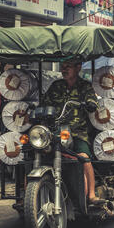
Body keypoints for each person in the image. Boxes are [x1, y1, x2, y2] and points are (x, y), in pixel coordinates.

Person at [43, 61, 104, 205]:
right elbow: (44, 103)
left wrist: (90, 104)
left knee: (84, 157)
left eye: (67, 66)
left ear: (78, 67)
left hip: (78, 132)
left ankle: (91, 194)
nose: (64, 69)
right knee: (36, 154)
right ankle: (28, 194)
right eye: (62, 66)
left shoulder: (85, 86)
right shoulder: (56, 86)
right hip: (56, 132)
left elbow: (92, 101)